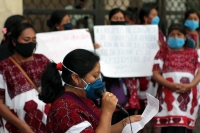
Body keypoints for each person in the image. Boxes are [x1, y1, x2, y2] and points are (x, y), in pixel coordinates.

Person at [39, 49, 142, 133]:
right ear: (75, 78)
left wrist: (125, 123)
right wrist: (107, 112)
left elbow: (100, 129)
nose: (99, 80)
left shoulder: (83, 98)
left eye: (99, 75)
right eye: (94, 76)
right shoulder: (65, 109)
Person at [0, 23, 50, 133]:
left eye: (34, 39)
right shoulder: (3, 67)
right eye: (26, 39)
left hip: (47, 125)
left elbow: (55, 90)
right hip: (17, 128)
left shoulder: (43, 61)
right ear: (14, 42)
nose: (31, 43)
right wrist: (23, 127)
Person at [152, 23, 200, 133]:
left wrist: (190, 85)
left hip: (187, 98)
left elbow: (199, 73)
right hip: (168, 98)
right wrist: (170, 85)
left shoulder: (193, 53)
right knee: (169, 129)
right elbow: (155, 73)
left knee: (184, 128)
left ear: (184, 37)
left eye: (179, 34)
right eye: (173, 35)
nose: (176, 37)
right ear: (168, 37)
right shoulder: (162, 52)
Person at [103, 8, 141, 125]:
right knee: (114, 118)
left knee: (130, 121)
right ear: (109, 21)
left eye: (121, 19)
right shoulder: (102, 37)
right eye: (115, 19)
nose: (119, 21)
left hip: (128, 82)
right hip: (111, 82)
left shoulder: (133, 38)